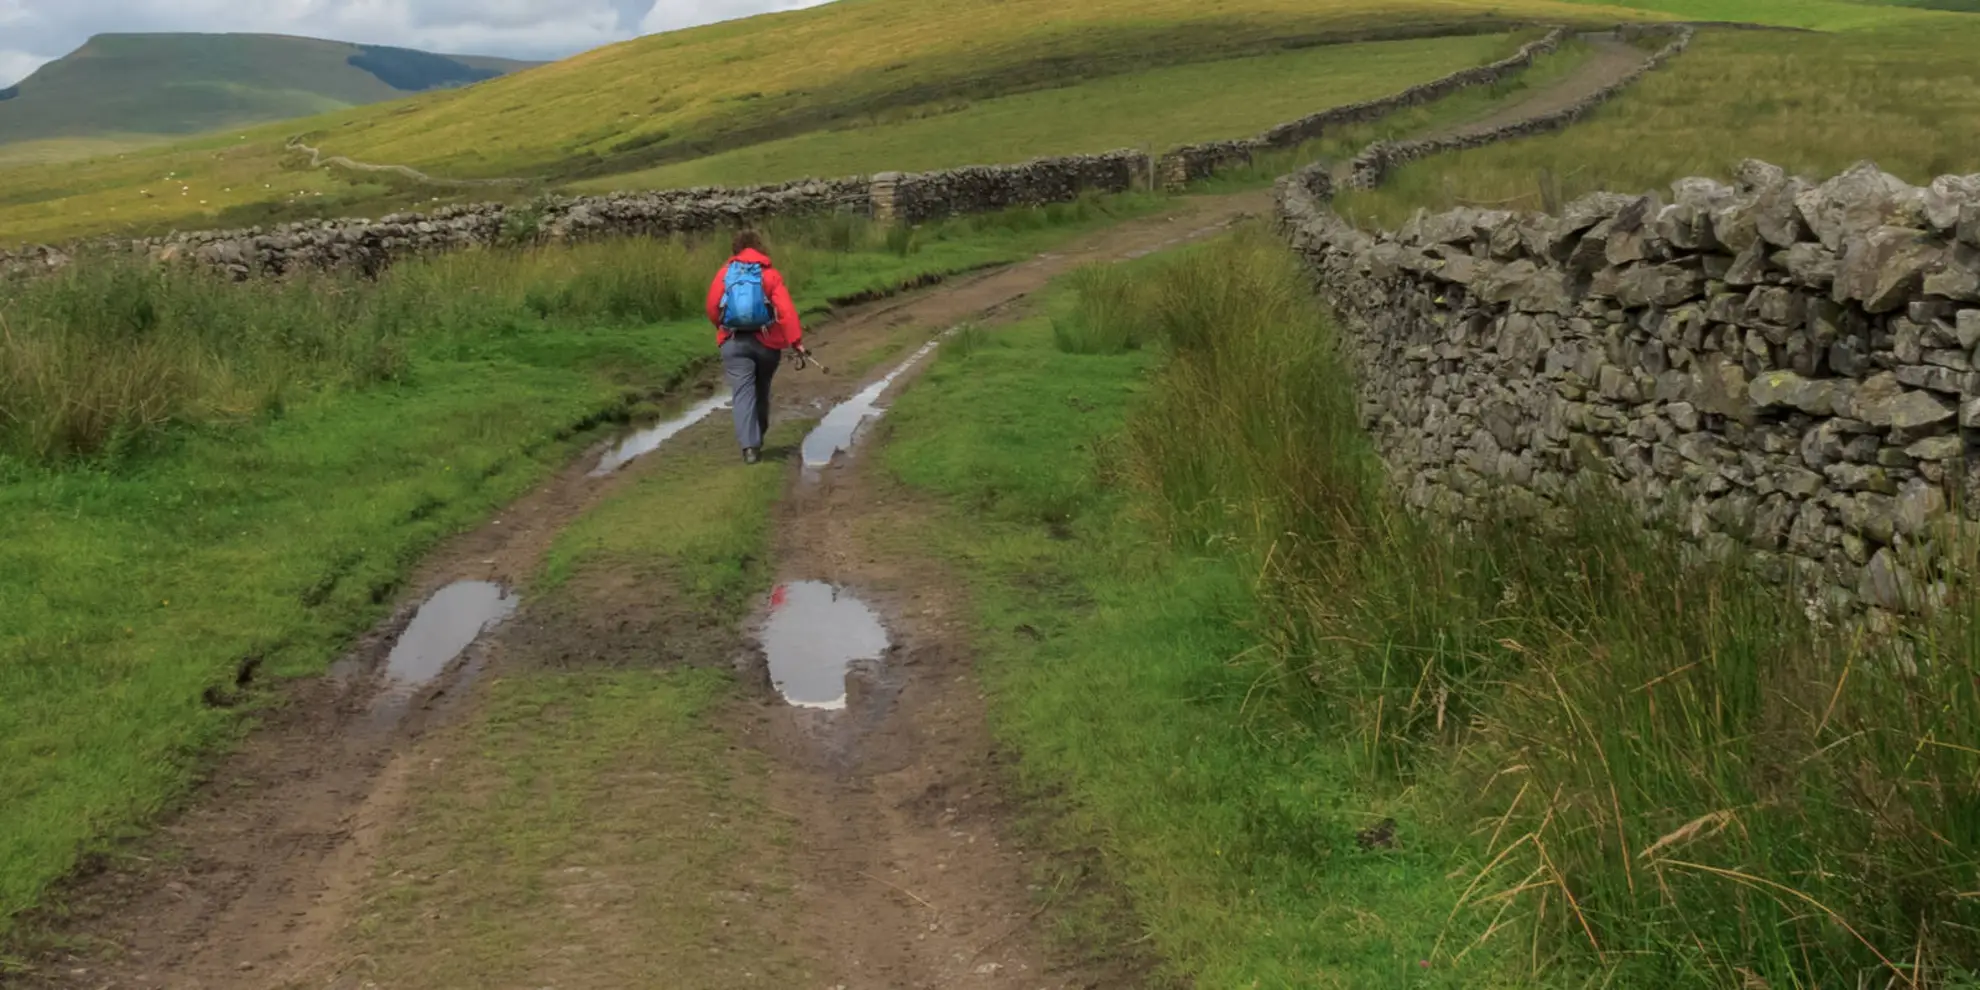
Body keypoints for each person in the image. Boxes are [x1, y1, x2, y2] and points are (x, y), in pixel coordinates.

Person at [706, 229, 805, 464]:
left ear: (736, 249)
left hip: (733, 342)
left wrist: (723, 327)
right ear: (760, 248)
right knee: (761, 389)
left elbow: (712, 307)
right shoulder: (770, 275)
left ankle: (749, 448)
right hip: (767, 344)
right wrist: (796, 342)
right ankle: (759, 434)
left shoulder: (725, 273)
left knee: (742, 393)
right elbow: (786, 312)